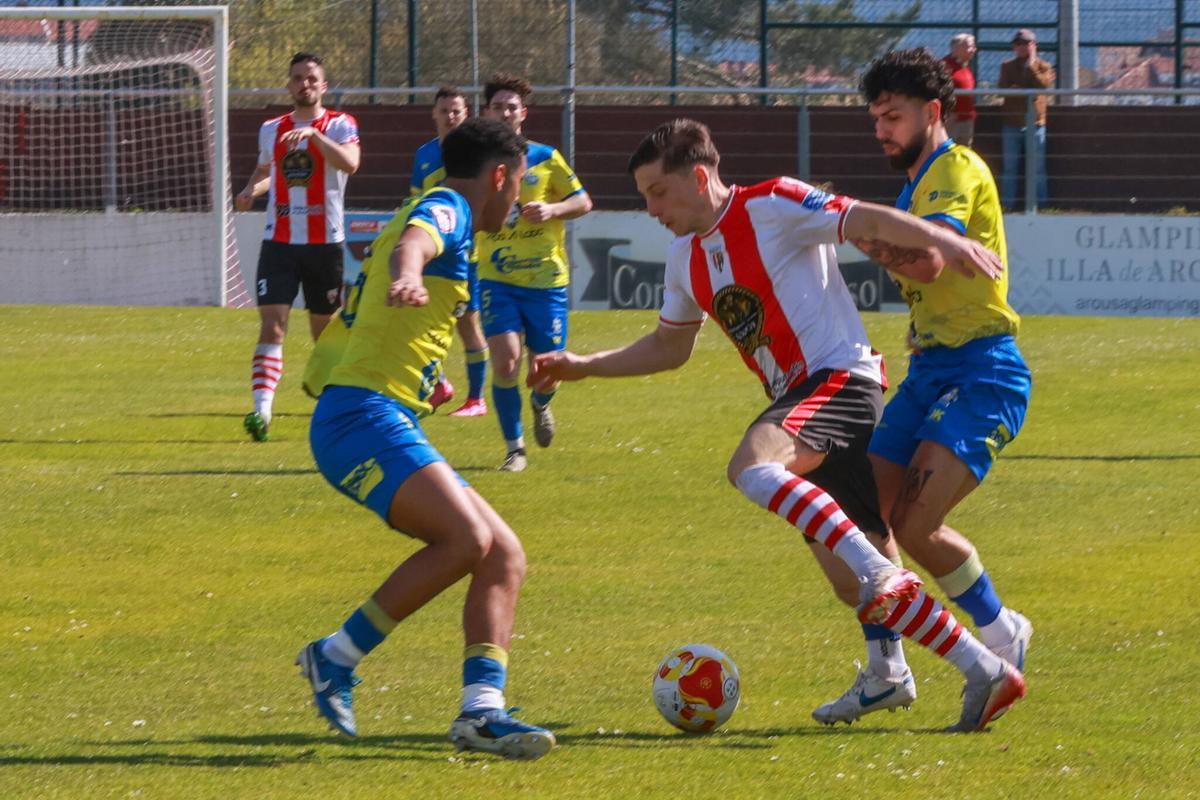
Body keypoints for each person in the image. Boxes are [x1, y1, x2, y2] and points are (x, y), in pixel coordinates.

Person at [528, 118, 1025, 733]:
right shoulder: (685, 257)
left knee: (753, 466)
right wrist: (582, 367)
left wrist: (941, 241)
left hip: (842, 381)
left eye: (657, 192)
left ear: (700, 176)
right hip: (800, 398)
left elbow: (863, 219)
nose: (648, 207)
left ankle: (900, 604)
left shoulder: (775, 202)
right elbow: (668, 347)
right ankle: (967, 670)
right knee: (854, 585)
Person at [296, 117, 555, 760]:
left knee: (503, 555)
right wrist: (408, 271)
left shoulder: (445, 212)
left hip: (383, 413)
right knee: (467, 539)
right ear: (499, 175)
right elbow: (415, 243)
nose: (518, 195)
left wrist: (430, 377)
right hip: (360, 419)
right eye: (517, 180)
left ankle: (481, 713)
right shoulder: (449, 206)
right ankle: (335, 655)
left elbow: (391, 318)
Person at [817, 48, 1031, 730]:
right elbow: (908, 253)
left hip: (985, 372)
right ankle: (886, 672)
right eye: (876, 118)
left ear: (933, 114)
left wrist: (882, 244)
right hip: (932, 369)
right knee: (855, 519)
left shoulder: (955, 169)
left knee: (913, 523)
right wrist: (887, 244)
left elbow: (930, 258)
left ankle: (1000, 633)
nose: (882, 130)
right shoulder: (913, 190)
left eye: (894, 116)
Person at [236, 52, 361, 442]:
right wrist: (248, 190)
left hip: (325, 244)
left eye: (311, 79)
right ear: (288, 86)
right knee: (273, 324)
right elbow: (269, 173)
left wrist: (314, 136)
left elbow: (351, 164)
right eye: (297, 79)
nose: (304, 84)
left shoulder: (341, 124)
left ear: (323, 86)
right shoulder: (271, 129)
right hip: (280, 243)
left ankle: (337, 407)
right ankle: (262, 412)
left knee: (324, 334)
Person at [476, 73, 593, 471]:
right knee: (506, 362)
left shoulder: (545, 157)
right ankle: (515, 449)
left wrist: (553, 209)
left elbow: (583, 201)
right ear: (487, 112)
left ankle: (541, 404)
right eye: (498, 107)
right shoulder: (475, 159)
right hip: (496, 277)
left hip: (546, 280)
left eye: (512, 107)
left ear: (523, 113)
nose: (506, 113)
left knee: (546, 370)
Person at [411, 85, 491, 418]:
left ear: (466, 114)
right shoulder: (424, 155)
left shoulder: (479, 154)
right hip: (432, 255)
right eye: (444, 111)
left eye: (456, 110)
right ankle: (440, 385)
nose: (450, 116)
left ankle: (476, 399)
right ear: (434, 114)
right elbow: (416, 200)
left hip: (466, 257)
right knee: (421, 324)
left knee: (467, 326)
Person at [998, 29, 1054, 210]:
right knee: (1010, 168)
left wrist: (1031, 66)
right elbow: (1003, 90)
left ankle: (1042, 205)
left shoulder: (1044, 66)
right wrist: (1026, 91)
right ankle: (1007, 205)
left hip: (1036, 124)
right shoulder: (1007, 66)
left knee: (1038, 167)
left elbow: (1042, 87)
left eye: (1026, 43)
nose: (1021, 47)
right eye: (1018, 44)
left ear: (1034, 45)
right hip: (1011, 124)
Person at [943, 34, 977, 147]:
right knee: (947, 152)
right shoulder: (944, 66)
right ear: (957, 48)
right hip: (951, 121)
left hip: (966, 120)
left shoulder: (965, 67)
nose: (974, 50)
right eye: (970, 46)